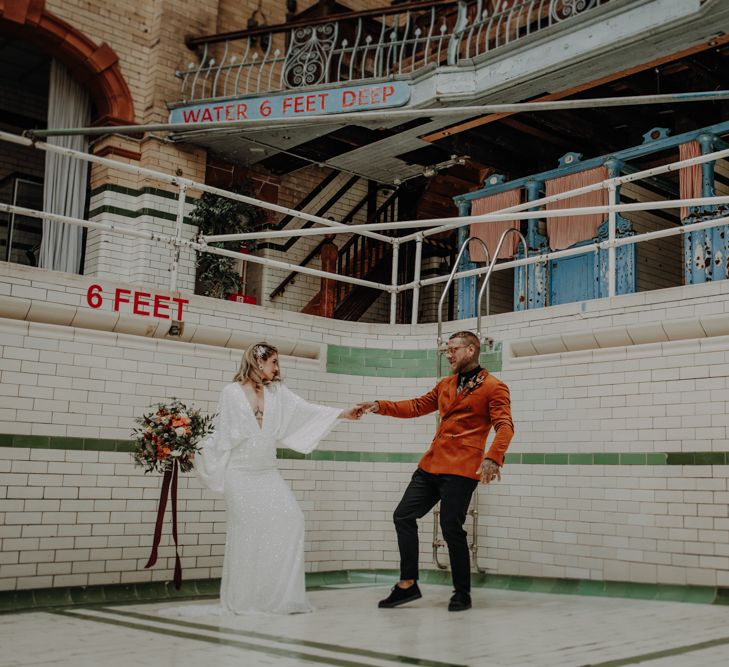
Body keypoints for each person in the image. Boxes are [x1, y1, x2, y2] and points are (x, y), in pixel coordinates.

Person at [194, 341, 362, 614]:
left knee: (292, 518)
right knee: (248, 533)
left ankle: (280, 596)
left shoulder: (278, 393)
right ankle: (246, 599)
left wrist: (343, 414)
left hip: (267, 471)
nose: (277, 368)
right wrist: (192, 449)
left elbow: (307, 410)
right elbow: (221, 434)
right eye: (274, 362)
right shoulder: (231, 393)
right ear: (259, 362)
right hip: (240, 474)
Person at [358, 331, 514, 612]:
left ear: (470, 350)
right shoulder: (445, 384)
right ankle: (408, 584)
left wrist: (493, 457)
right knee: (403, 515)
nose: (448, 355)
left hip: (462, 468)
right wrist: (379, 406)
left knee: (451, 528)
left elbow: (505, 425)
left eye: (452, 350)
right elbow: (417, 406)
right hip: (431, 464)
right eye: (447, 351)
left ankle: (462, 593)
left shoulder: (494, 386)